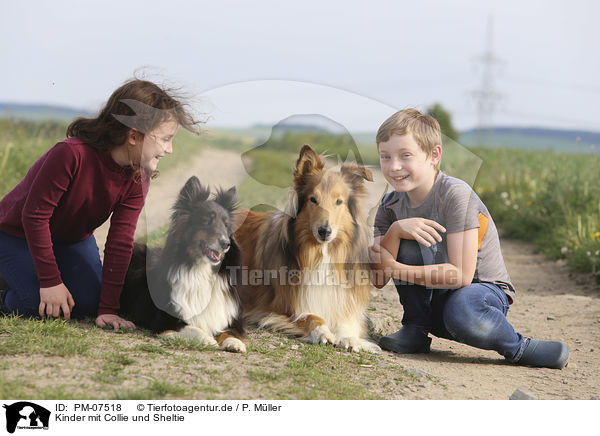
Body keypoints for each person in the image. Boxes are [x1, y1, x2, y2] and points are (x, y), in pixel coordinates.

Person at [369, 108, 569, 369]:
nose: (394, 166)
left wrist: (395, 267)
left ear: (433, 155)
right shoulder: (389, 204)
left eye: (405, 155)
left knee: (462, 308)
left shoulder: (455, 195)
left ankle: (519, 347)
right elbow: (378, 278)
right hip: (437, 306)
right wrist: (395, 231)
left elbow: (461, 276)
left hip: (479, 296)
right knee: (407, 239)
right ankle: (415, 329)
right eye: (386, 157)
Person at [0, 78, 200, 330]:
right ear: (134, 136)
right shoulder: (71, 154)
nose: (169, 149)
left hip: (71, 240)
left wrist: (108, 309)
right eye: (165, 139)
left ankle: (24, 274)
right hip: (15, 235)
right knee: (38, 304)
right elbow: (34, 217)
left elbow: (120, 240)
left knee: (88, 303)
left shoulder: (138, 175)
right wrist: (51, 282)